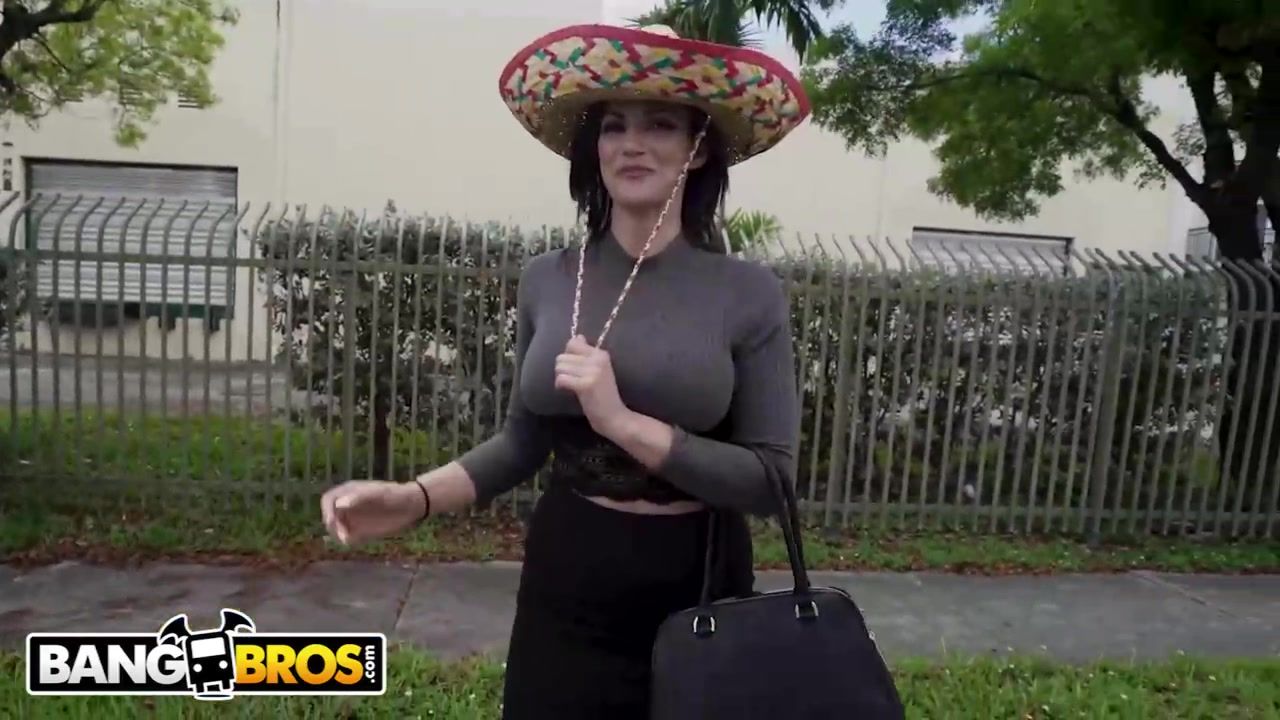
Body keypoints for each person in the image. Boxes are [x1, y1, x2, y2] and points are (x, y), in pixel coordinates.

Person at [320, 22, 810, 719]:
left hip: (698, 589)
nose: (632, 144)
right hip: (568, 575)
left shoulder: (746, 292)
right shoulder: (548, 279)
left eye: (660, 124)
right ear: (594, 147)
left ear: (697, 147)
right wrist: (413, 499)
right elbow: (522, 441)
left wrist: (622, 422)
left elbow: (771, 482)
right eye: (614, 126)